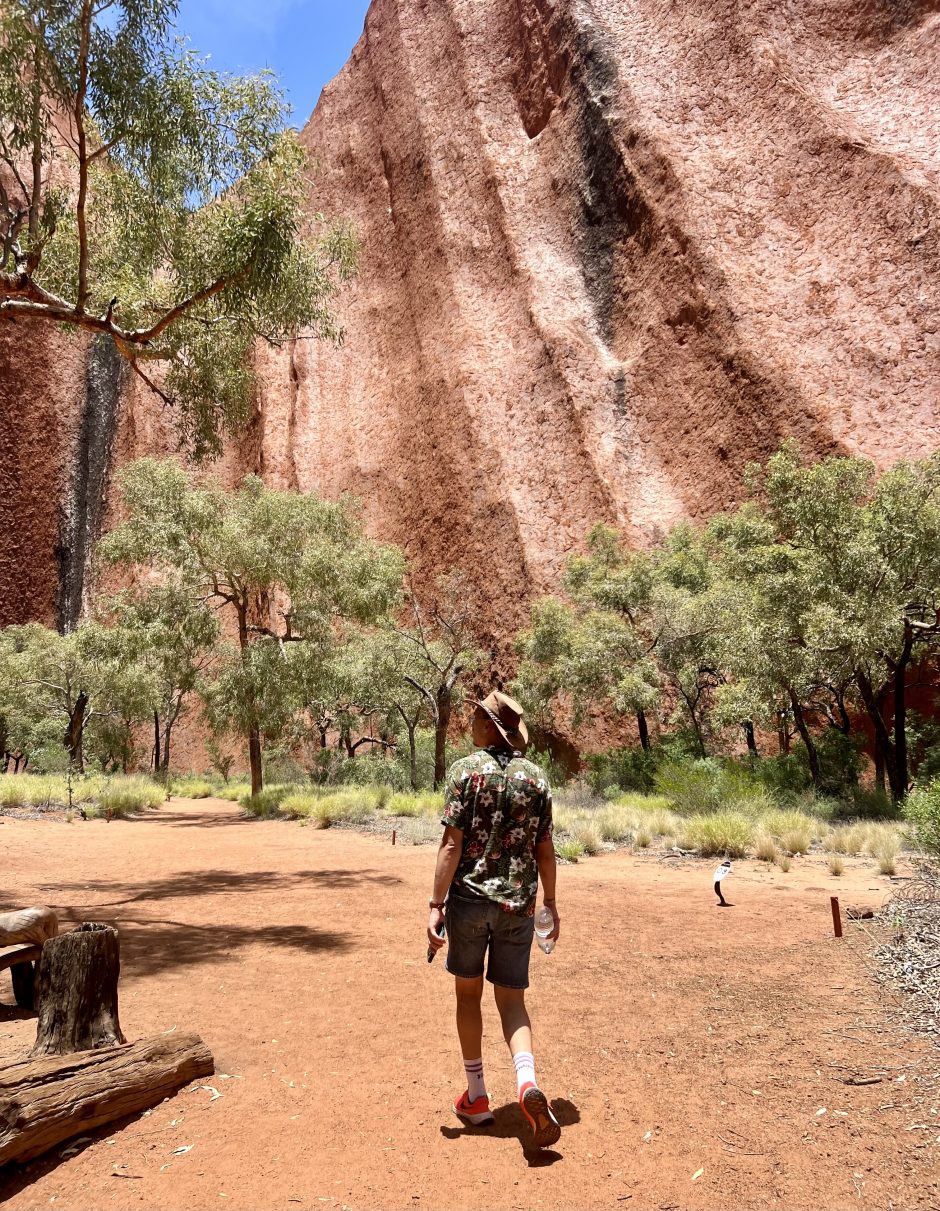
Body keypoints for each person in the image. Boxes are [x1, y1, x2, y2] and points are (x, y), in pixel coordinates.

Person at [427, 690, 561, 1149]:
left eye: (476, 715)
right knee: (512, 1001)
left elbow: (451, 845)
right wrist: (551, 903)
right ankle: (526, 1084)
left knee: (469, 995)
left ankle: (478, 1096)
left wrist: (435, 904)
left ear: (489, 725)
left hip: (467, 903)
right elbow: (545, 850)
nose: (470, 720)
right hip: (518, 909)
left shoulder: (466, 773)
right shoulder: (537, 780)